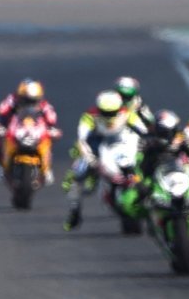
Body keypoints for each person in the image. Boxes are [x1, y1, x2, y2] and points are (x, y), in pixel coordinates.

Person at [63, 89, 148, 231]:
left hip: (121, 146)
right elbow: (82, 139)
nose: (109, 116)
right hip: (97, 147)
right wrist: (90, 158)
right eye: (105, 112)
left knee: (147, 162)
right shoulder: (89, 116)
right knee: (78, 174)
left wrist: (147, 143)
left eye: (112, 112)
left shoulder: (127, 113)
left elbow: (143, 131)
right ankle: (74, 211)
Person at [0, 78, 60, 179]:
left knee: (47, 140)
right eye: (26, 100)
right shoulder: (11, 100)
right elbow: (0, 114)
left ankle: (46, 169)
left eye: (33, 101)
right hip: (14, 129)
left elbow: (51, 118)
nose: (30, 104)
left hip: (35, 131)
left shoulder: (44, 104)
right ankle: (2, 164)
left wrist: (52, 129)